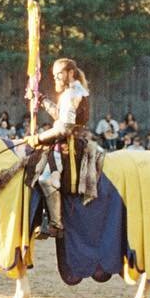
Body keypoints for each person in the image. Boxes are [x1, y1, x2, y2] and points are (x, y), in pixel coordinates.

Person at [21, 57, 94, 238]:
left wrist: (37, 138)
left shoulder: (73, 93)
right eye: (54, 75)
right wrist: (42, 99)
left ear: (70, 73)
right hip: (65, 141)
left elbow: (64, 128)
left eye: (59, 74)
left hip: (69, 145)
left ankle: (55, 223)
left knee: (46, 179)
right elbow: (59, 116)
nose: (56, 79)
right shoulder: (70, 92)